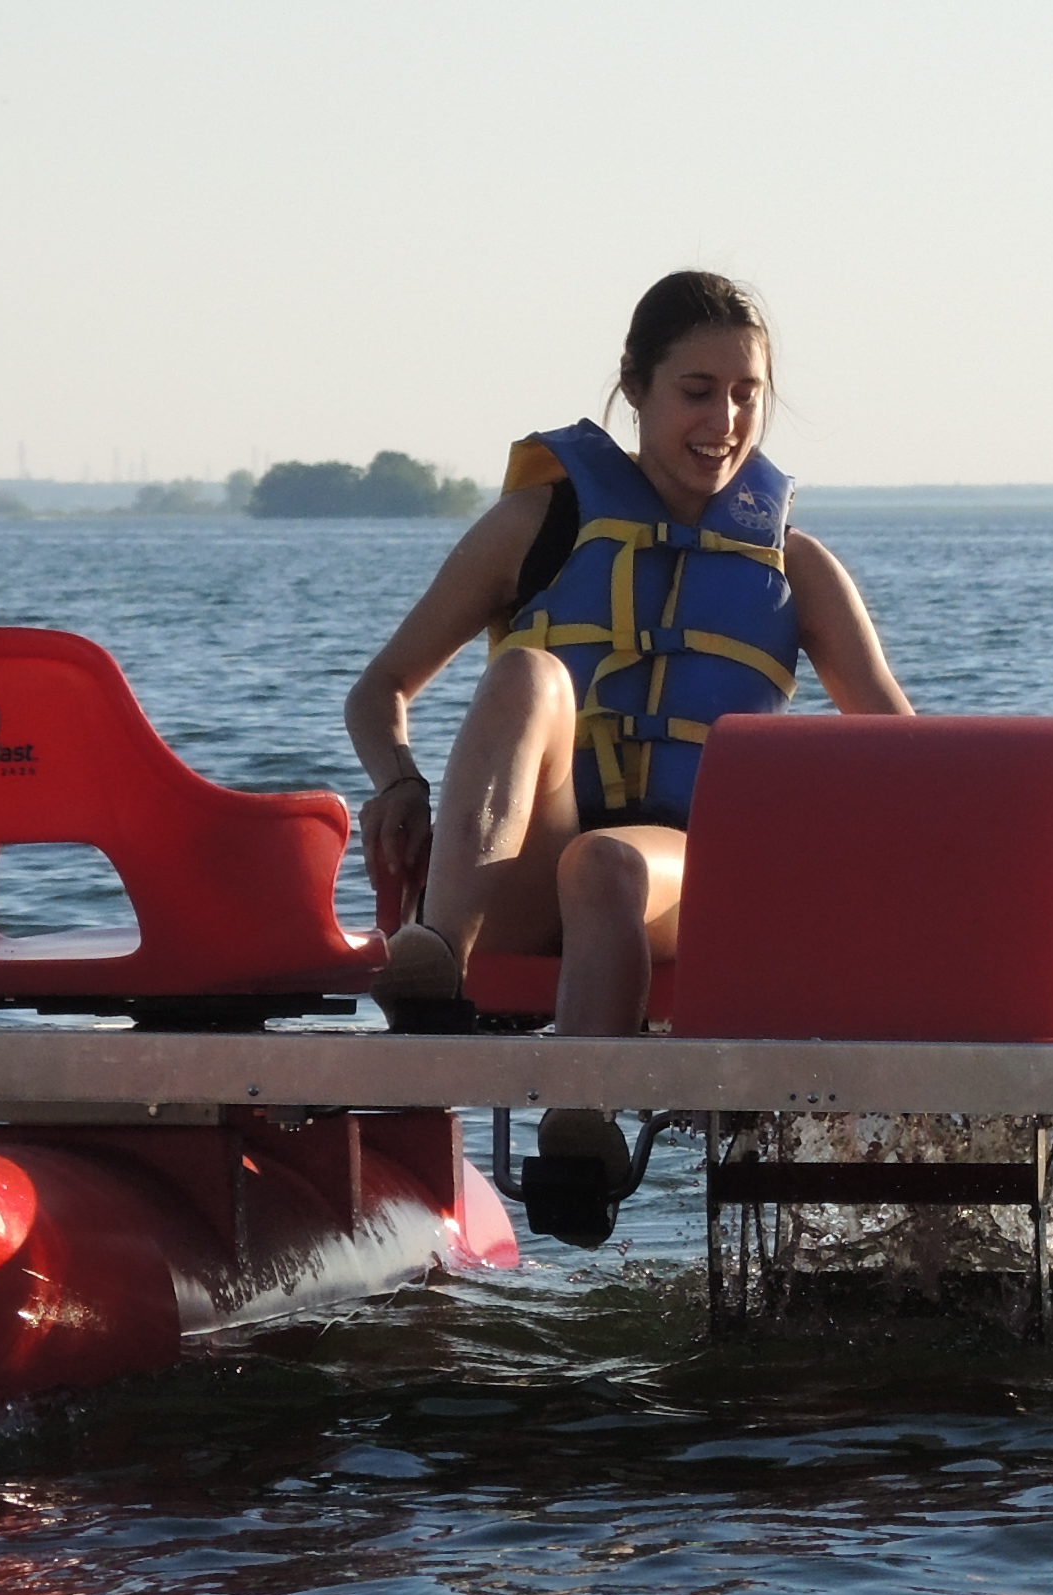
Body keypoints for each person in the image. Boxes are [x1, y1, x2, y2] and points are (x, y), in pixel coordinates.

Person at [346, 273, 913, 1182]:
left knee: (605, 867)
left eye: (746, 394)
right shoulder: (536, 526)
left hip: (682, 881)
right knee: (528, 673)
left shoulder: (796, 569)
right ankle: (438, 971)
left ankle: (582, 1134)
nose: (723, 420)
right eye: (697, 391)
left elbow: (905, 756)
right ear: (636, 387)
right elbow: (378, 691)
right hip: (529, 871)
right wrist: (399, 783)